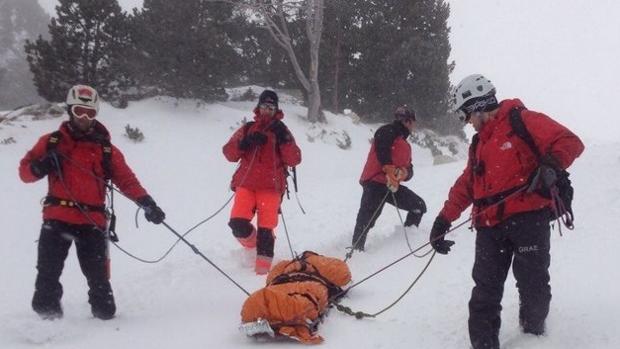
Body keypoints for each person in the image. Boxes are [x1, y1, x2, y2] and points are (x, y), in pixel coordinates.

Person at [429, 74, 584, 348]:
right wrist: (443, 219)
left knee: (533, 286)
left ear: (478, 107)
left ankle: (533, 337)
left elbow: (569, 141)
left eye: (467, 116)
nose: (468, 123)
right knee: (484, 294)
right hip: (489, 227)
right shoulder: (479, 144)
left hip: (529, 221)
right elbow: (467, 184)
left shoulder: (521, 120)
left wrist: (549, 165)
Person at [19, 85, 166, 320]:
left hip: (92, 222)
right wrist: (41, 165)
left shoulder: (106, 149)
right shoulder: (52, 142)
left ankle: (103, 327)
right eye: (79, 111)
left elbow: (127, 180)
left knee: (99, 284)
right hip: (57, 220)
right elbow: (25, 173)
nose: (84, 118)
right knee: (47, 274)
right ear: (70, 110)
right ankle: (47, 323)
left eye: (90, 112)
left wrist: (147, 203)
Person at [223, 90, 301, 275]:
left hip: (271, 187)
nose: (267, 110)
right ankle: (252, 247)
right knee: (237, 224)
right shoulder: (248, 128)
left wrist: (284, 139)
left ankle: (261, 275)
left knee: (266, 230)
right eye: (264, 106)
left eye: (271, 107)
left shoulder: (282, 130)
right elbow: (228, 153)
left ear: (276, 109)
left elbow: (294, 159)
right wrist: (244, 143)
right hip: (247, 185)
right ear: (259, 107)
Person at [351, 106, 427, 252]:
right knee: (367, 219)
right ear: (407, 121)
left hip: (392, 186)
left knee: (418, 206)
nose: (413, 126)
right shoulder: (388, 131)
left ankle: (405, 240)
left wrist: (404, 173)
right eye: (412, 122)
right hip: (375, 182)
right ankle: (356, 250)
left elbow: (410, 168)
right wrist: (389, 168)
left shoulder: (405, 144)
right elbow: (382, 148)